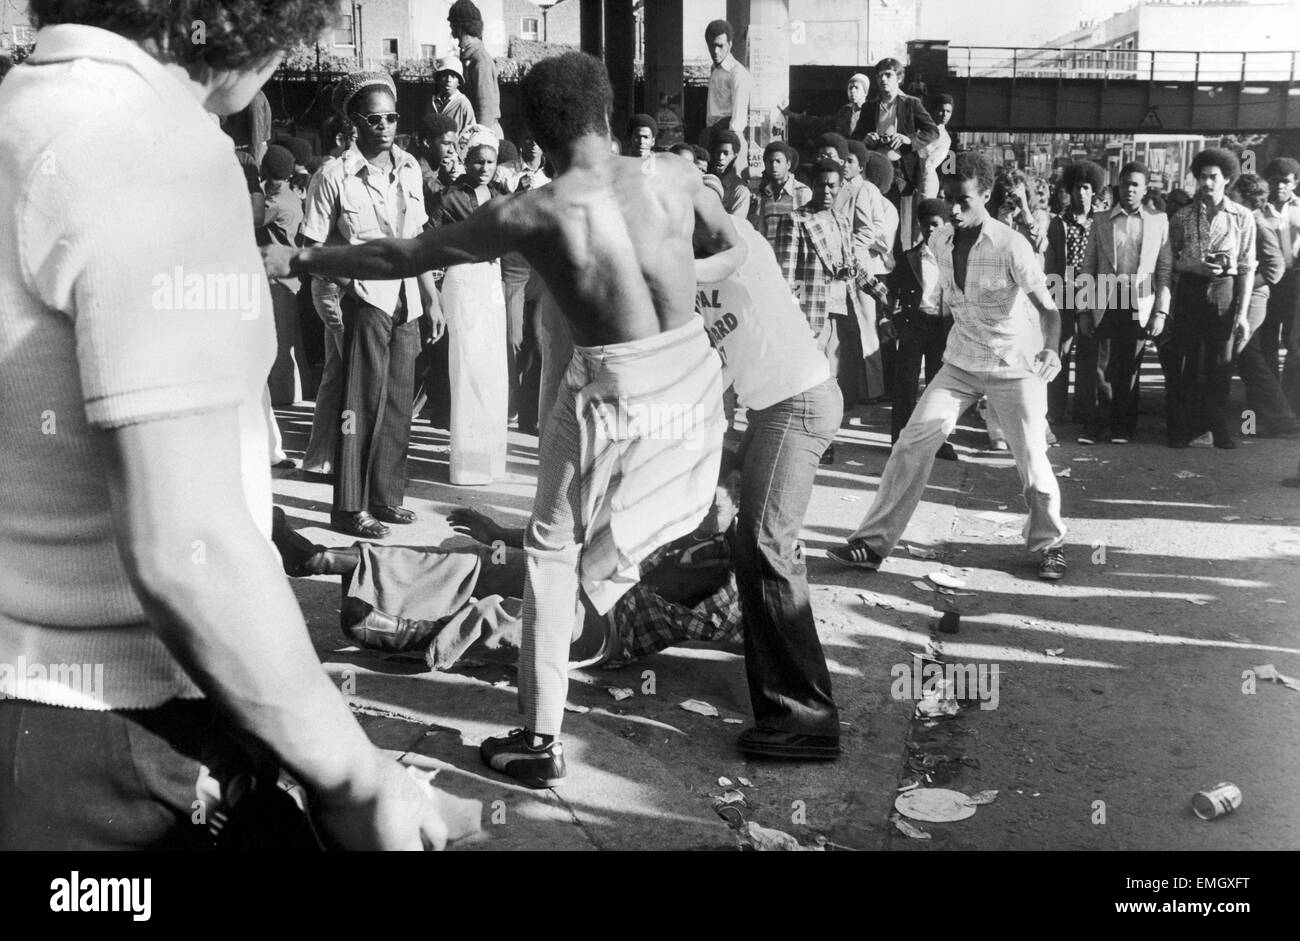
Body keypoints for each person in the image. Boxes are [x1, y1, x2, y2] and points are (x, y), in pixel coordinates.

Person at [0, 0, 466, 851]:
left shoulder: (24, 112)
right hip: (129, 746)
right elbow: (187, 550)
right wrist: (358, 778)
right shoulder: (150, 145)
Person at [264, 51, 746, 788]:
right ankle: (567, 618)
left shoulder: (536, 211)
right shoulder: (680, 177)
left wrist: (301, 259)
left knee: (553, 556)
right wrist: (686, 274)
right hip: (690, 384)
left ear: (537, 136)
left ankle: (539, 736)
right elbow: (731, 249)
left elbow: (405, 254)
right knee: (591, 561)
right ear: (608, 112)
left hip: (611, 390)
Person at [828, 153, 1069, 581]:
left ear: (987, 197)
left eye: (964, 201)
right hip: (960, 363)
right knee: (911, 443)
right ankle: (872, 543)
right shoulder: (939, 242)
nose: (953, 211)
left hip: (1012, 364)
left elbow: (1050, 313)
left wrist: (1051, 350)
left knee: (1032, 458)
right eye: (949, 200)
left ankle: (1049, 544)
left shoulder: (1012, 246)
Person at [272, 472, 743, 670]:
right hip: (574, 575)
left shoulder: (724, 574)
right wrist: (500, 532)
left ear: (737, 510)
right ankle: (320, 559)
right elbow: (570, 539)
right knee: (471, 561)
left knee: (511, 619)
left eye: (716, 503)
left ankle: (399, 632)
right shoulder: (670, 513)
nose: (703, 510)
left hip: (602, 629)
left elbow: (743, 626)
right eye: (701, 494)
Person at [697, 203, 846, 759]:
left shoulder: (743, 243)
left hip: (798, 403)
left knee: (767, 543)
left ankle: (808, 720)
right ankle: (776, 691)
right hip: (769, 410)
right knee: (748, 543)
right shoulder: (692, 271)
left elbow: (711, 209)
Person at [301, 72, 444, 539]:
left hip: (406, 302)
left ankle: (385, 497)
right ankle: (348, 507)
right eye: (374, 118)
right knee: (357, 405)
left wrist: (431, 295)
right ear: (355, 122)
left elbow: (419, 239)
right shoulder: (333, 175)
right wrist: (352, 283)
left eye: (391, 117)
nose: (385, 125)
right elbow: (311, 247)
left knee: (400, 401)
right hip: (365, 301)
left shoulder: (409, 167)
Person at [430, 135, 510, 485]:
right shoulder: (449, 197)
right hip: (462, 280)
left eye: (490, 162)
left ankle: (490, 461)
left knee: (494, 369)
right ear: (466, 160)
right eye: (478, 161)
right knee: (468, 366)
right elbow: (429, 238)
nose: (484, 168)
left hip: (492, 281)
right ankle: (466, 465)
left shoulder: (500, 196)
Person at [1076, 161, 1173, 445]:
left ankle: (1122, 426)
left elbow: (1164, 270)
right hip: (1106, 296)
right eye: (1126, 183)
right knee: (1101, 364)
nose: (1129, 189)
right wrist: (1082, 309)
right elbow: (1087, 267)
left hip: (1140, 298)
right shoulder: (1101, 219)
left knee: (1130, 364)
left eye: (1136, 185)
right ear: (1118, 185)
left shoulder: (1158, 221)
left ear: (1144, 190)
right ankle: (1096, 425)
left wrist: (1161, 312)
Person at [1166, 147, 1256, 449]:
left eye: (1213, 177)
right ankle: (1185, 429)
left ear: (1226, 178)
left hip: (1224, 290)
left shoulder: (1242, 217)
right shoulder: (1181, 217)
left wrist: (1242, 313)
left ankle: (1217, 428)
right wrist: (1193, 265)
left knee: (1221, 363)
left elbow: (1246, 266)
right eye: (1202, 177)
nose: (1206, 183)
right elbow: (1171, 261)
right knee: (1188, 361)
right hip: (1191, 288)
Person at [1228, 173, 1300, 437]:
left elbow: (1276, 267)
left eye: (1233, 194)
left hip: (1254, 299)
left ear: (1246, 197)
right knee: (1249, 358)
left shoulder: (1258, 222)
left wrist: (1241, 286)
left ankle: (1282, 418)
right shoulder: (1246, 219)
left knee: (1249, 355)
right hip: (1248, 297)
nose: (1229, 198)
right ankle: (1274, 418)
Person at [888, 198, 958, 460]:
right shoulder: (909, 258)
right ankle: (899, 440)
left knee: (938, 387)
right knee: (905, 383)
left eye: (936, 225)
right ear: (919, 226)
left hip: (943, 328)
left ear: (946, 226)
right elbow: (892, 292)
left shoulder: (955, 258)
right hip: (914, 325)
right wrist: (893, 320)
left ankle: (938, 442)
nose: (930, 230)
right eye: (925, 225)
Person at [1045, 160, 1103, 430]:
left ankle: (1084, 409)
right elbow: (1053, 260)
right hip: (1064, 291)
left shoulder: (1101, 221)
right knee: (1061, 350)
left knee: (1089, 352)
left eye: (1087, 188)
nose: (1082, 193)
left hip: (1092, 291)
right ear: (1071, 189)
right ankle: (1055, 409)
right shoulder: (1059, 222)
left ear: (1095, 191)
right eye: (1078, 187)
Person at [863, 57, 939, 244]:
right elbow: (857, 137)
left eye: (888, 75)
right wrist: (866, 139)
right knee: (875, 218)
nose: (883, 80)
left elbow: (932, 131)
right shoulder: (869, 107)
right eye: (879, 76)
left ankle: (900, 265)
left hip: (901, 173)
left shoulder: (911, 103)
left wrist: (908, 140)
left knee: (899, 224)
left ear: (899, 78)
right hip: (874, 170)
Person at [1260, 157, 1300, 412]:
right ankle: (1271, 402)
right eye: (1275, 181)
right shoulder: (1259, 209)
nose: (1280, 187)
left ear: (1295, 182)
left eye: (1285, 181)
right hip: (1267, 280)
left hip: (1295, 280)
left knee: (1294, 342)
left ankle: (1292, 402)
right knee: (1266, 342)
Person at [448, 0, 501, 136]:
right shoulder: (469, 57)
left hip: (484, 134)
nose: (451, 30)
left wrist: (480, 140)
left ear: (459, 28)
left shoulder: (479, 60)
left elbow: (485, 109)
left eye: (452, 25)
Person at [703, 19, 751, 159]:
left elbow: (738, 121)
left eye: (720, 46)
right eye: (711, 46)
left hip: (727, 139)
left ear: (730, 45)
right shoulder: (714, 69)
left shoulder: (738, 73)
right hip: (711, 133)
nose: (715, 51)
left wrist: (731, 152)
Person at [750, 140, 810, 243]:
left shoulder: (801, 192)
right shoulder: (765, 196)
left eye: (778, 161)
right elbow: (762, 232)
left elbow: (809, 231)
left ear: (788, 164)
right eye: (770, 161)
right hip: (771, 257)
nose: (774, 165)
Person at [427, 56, 476, 136]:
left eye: (453, 77)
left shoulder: (463, 103)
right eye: (444, 76)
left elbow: (470, 131)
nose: (448, 80)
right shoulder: (432, 102)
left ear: (459, 82)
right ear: (438, 79)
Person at [709, 129, 751, 218]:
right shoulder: (706, 181)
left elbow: (736, 224)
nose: (720, 157)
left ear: (734, 156)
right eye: (718, 152)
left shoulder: (740, 190)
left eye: (726, 153)